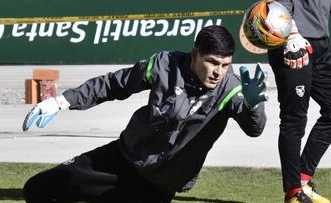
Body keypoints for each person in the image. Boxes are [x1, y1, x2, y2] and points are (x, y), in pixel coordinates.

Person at [21, 25, 268, 203]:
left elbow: (253, 129)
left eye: (225, 65)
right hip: (122, 159)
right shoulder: (164, 65)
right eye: (213, 62)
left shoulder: (234, 88)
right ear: (195, 55)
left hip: (159, 185)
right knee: (37, 189)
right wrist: (61, 102)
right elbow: (113, 84)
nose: (219, 72)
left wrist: (253, 105)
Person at [267, 0, 331, 202]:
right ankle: (293, 192)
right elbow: (279, 5)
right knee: (294, 119)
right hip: (293, 42)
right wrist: (291, 35)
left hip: (322, 44)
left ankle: (302, 180)